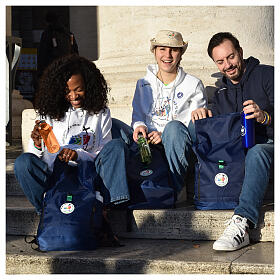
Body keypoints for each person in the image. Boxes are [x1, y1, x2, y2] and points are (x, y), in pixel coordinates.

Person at [14, 54, 130, 214]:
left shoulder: (101, 113)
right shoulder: (48, 113)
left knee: (117, 146)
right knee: (22, 163)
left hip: (89, 173)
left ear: (88, 86)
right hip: (57, 175)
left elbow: (104, 152)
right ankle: (46, 211)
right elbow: (40, 156)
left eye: (79, 89)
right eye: (67, 91)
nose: (74, 96)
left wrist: (78, 155)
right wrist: (37, 143)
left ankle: (109, 209)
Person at [192, 32, 274, 251]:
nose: (227, 65)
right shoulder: (221, 93)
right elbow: (221, 134)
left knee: (257, 152)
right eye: (220, 61)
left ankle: (243, 223)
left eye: (231, 57)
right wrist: (206, 115)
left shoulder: (268, 75)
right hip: (243, 155)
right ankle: (205, 195)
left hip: (271, 146)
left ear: (241, 53)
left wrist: (264, 116)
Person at [113, 29, 206, 199]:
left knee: (174, 129)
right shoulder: (143, 83)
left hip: (174, 143)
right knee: (112, 125)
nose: (168, 55)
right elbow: (138, 115)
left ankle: (175, 188)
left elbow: (194, 127)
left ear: (181, 53)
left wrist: (163, 135)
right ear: (154, 52)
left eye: (174, 49)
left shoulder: (194, 84)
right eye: (162, 49)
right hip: (146, 143)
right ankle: (118, 196)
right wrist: (139, 127)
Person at [37, 11, 79, 79]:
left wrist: (40, 72)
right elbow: (75, 51)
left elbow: (43, 54)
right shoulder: (69, 33)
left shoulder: (47, 33)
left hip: (53, 69)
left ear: (47, 22)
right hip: (68, 68)